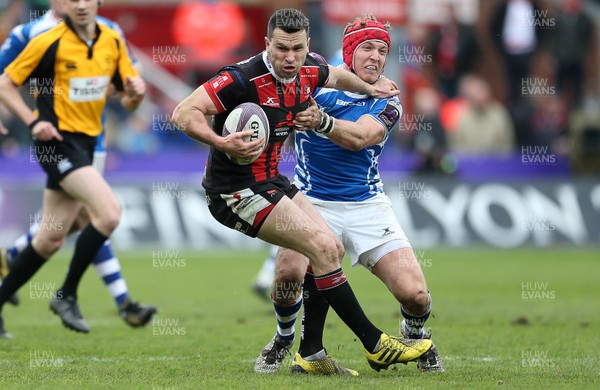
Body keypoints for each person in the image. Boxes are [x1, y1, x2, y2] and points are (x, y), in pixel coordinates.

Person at [172, 8, 432, 375]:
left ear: (309, 46)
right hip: (237, 190)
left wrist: (368, 90)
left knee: (390, 282)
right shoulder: (241, 78)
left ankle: (311, 354)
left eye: (297, 49)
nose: (290, 58)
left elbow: (347, 103)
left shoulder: (354, 87)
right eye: (281, 49)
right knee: (303, 265)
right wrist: (221, 141)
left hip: (339, 198)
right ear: (267, 44)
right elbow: (184, 112)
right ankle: (366, 343)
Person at [253, 14, 444, 376]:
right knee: (287, 275)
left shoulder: (388, 98)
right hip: (311, 200)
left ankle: (415, 333)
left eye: (382, 50)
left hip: (366, 205)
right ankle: (283, 338)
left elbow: (359, 138)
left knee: (416, 297)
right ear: (349, 52)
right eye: (367, 48)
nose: (375, 57)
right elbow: (275, 70)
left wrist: (320, 121)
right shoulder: (315, 79)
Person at [0, 0, 156, 329]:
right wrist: (31, 122)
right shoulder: (46, 40)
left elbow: (127, 100)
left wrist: (136, 94)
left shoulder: (111, 39)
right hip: (56, 144)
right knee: (108, 212)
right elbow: (5, 84)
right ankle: (67, 294)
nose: (81, 4)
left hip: (87, 144)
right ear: (61, 4)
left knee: (50, 238)